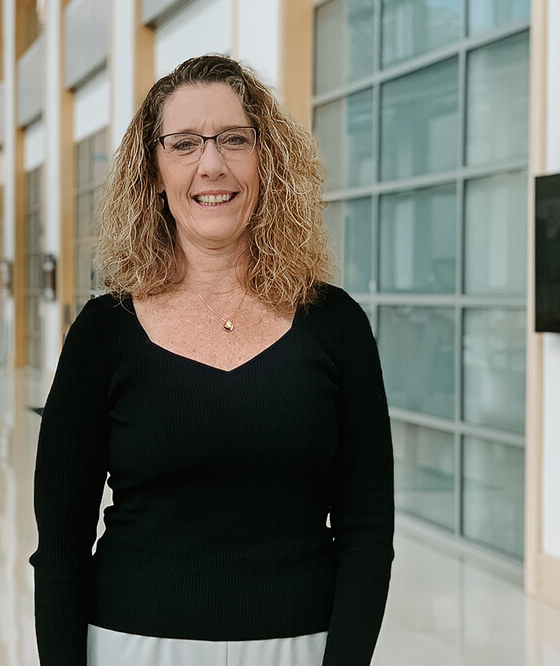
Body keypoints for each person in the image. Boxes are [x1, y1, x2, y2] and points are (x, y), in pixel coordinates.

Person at [30, 55, 394, 666]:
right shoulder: (103, 333)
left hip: (299, 649)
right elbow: (61, 545)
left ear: (267, 159)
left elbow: (367, 534)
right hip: (131, 646)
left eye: (234, 139)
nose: (212, 164)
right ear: (154, 169)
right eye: (184, 144)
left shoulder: (336, 326)